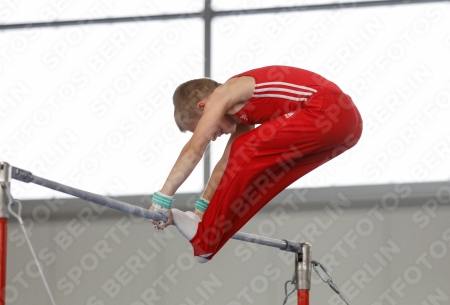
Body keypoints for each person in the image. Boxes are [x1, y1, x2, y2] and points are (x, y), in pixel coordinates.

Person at [149, 65, 363, 263]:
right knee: (265, 175)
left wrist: (163, 197)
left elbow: (195, 148)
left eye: (203, 127)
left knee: (244, 149)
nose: (212, 136)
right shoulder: (241, 113)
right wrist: (201, 210)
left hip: (328, 109)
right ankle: (208, 236)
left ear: (204, 107)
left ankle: (205, 239)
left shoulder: (222, 95)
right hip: (347, 128)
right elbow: (227, 164)